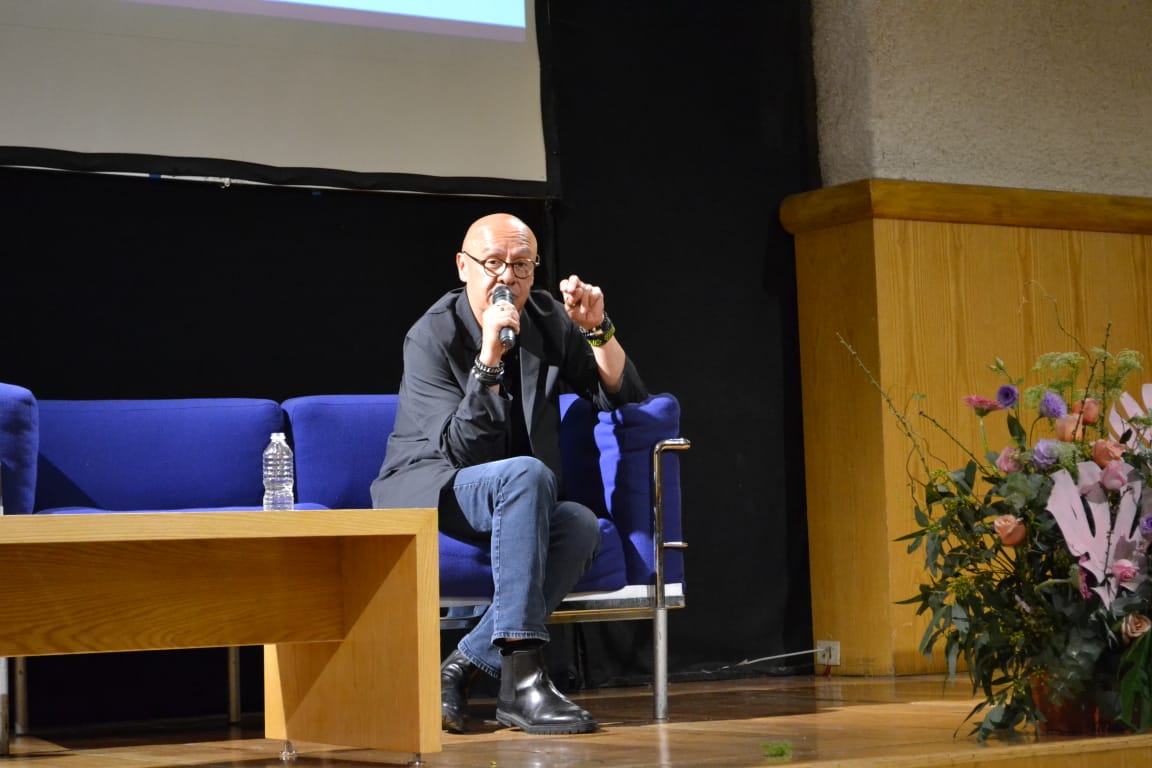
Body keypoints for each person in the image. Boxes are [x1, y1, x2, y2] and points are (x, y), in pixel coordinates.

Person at [370, 212, 649, 735]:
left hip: (519, 492)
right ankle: (523, 683)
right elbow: (460, 449)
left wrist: (597, 329)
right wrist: (489, 360)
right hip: (433, 488)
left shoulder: (544, 317)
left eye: (522, 266)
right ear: (464, 266)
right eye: (494, 263)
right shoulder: (431, 335)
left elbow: (623, 396)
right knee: (527, 474)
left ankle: (460, 666)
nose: (508, 278)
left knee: (580, 524)